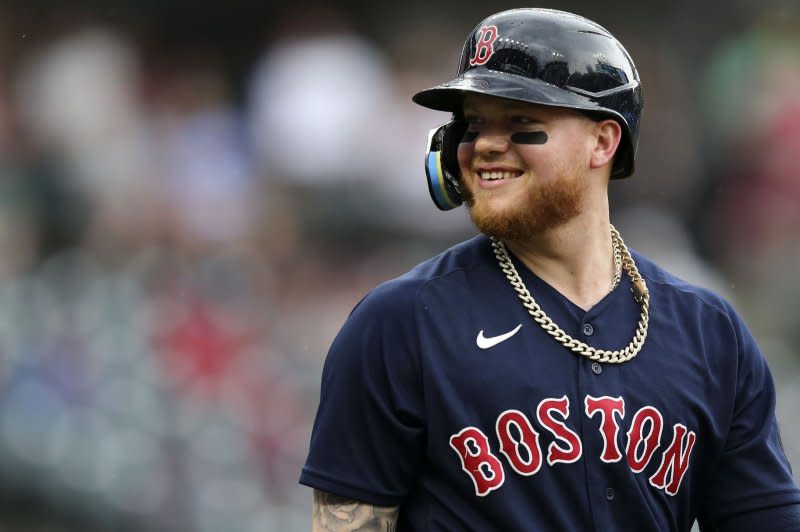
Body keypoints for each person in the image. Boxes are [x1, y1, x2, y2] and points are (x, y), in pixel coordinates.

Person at [299, 8, 800, 531]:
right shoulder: (399, 323)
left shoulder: (708, 331)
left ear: (603, 142)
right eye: (472, 125)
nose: (487, 144)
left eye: (521, 123)